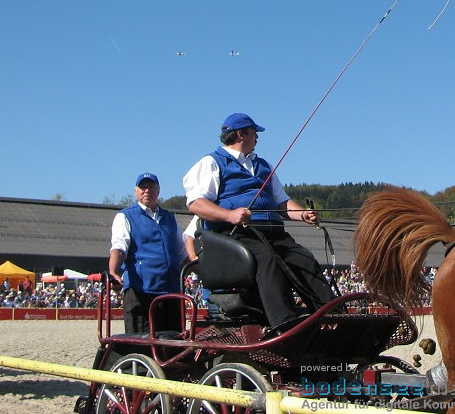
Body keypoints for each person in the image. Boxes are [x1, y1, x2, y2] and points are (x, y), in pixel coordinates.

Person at [183, 113, 335, 331]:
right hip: (236, 233)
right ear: (240, 134)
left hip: (272, 231)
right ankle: (285, 325)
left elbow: (281, 202)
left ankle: (331, 316)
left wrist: (303, 214)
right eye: (255, 133)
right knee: (267, 261)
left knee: (304, 259)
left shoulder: (263, 165)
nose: (257, 138)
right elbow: (196, 203)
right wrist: (230, 215)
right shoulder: (211, 163)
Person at [109, 173, 186, 333]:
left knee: (173, 344)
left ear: (158, 191)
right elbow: (119, 247)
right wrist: (113, 271)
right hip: (140, 291)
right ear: (136, 191)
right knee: (141, 344)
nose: (147, 191)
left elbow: (183, 252)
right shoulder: (125, 216)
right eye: (143, 187)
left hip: (170, 291)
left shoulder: (169, 218)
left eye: (151, 187)